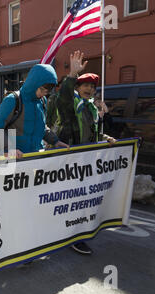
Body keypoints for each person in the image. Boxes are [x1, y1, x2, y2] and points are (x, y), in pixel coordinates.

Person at [53, 51, 116, 255]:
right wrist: (72, 74)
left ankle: (76, 236)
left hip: (87, 164)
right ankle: (57, 233)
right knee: (65, 201)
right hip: (69, 161)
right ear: (77, 88)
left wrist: (104, 138)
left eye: (92, 87)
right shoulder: (69, 105)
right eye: (85, 85)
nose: (89, 89)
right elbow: (63, 96)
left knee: (81, 202)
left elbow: (94, 132)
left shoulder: (91, 108)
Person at [0, 64, 69, 158]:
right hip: (15, 159)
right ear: (34, 83)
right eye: (42, 90)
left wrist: (55, 141)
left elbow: (41, 127)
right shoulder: (12, 100)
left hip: (36, 156)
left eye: (47, 91)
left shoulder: (42, 101)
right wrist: (10, 148)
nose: (44, 93)